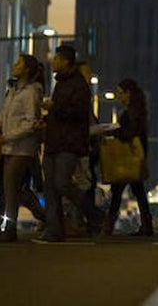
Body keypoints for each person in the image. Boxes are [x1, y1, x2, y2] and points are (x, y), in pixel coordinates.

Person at [37, 45, 103, 243]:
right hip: (54, 141)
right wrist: (48, 119)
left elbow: (76, 113)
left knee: (62, 183)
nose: (53, 62)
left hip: (69, 143)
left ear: (65, 61)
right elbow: (61, 114)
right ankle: (54, 230)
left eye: (56, 58)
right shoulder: (61, 83)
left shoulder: (78, 85)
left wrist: (54, 107)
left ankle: (94, 214)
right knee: (50, 187)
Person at [0, 55, 45, 242]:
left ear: (26, 69)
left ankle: (10, 228)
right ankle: (48, 218)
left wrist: (8, 136)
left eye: (19, 63)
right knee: (15, 190)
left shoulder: (31, 92)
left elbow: (30, 122)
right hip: (8, 147)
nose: (15, 66)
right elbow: (3, 115)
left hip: (22, 148)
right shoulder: (14, 90)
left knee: (11, 188)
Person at [104, 78, 153, 236]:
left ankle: (108, 225)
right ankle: (146, 225)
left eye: (121, 93)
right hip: (134, 157)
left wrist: (115, 131)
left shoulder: (131, 113)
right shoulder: (138, 110)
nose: (119, 96)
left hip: (128, 157)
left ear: (128, 93)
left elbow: (130, 133)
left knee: (119, 191)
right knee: (137, 192)